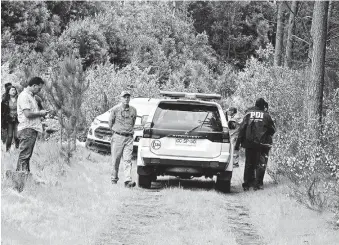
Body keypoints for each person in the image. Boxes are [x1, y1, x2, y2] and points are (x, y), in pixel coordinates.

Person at [235, 98, 275, 191]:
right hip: (263, 143)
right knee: (261, 163)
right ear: (263, 106)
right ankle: (258, 184)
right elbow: (272, 129)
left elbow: (242, 129)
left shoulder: (248, 114)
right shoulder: (266, 115)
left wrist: (238, 143)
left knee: (249, 163)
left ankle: (247, 184)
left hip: (249, 143)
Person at [16, 77, 48, 174]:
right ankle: (20, 179)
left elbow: (32, 113)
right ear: (34, 86)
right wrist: (40, 113)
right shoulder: (24, 96)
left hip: (31, 129)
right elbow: (28, 114)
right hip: (27, 130)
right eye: (39, 88)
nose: (39, 90)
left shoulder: (32, 97)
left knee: (27, 155)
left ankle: (25, 178)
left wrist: (41, 116)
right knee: (24, 156)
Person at [108, 91, 137, 188]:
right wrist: (116, 132)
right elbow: (110, 123)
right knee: (116, 159)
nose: (126, 99)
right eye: (124, 97)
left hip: (128, 138)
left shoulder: (133, 110)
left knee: (127, 160)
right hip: (118, 137)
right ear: (121, 98)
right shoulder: (115, 110)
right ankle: (114, 179)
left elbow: (133, 122)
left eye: (128, 97)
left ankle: (127, 181)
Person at [1, 86, 20, 151]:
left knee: (16, 136)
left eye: (14, 90)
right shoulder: (5, 101)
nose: (14, 91)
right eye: (12, 90)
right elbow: (2, 112)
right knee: (9, 136)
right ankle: (7, 150)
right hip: (9, 120)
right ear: (8, 92)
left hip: (17, 120)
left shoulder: (19, 99)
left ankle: (17, 149)